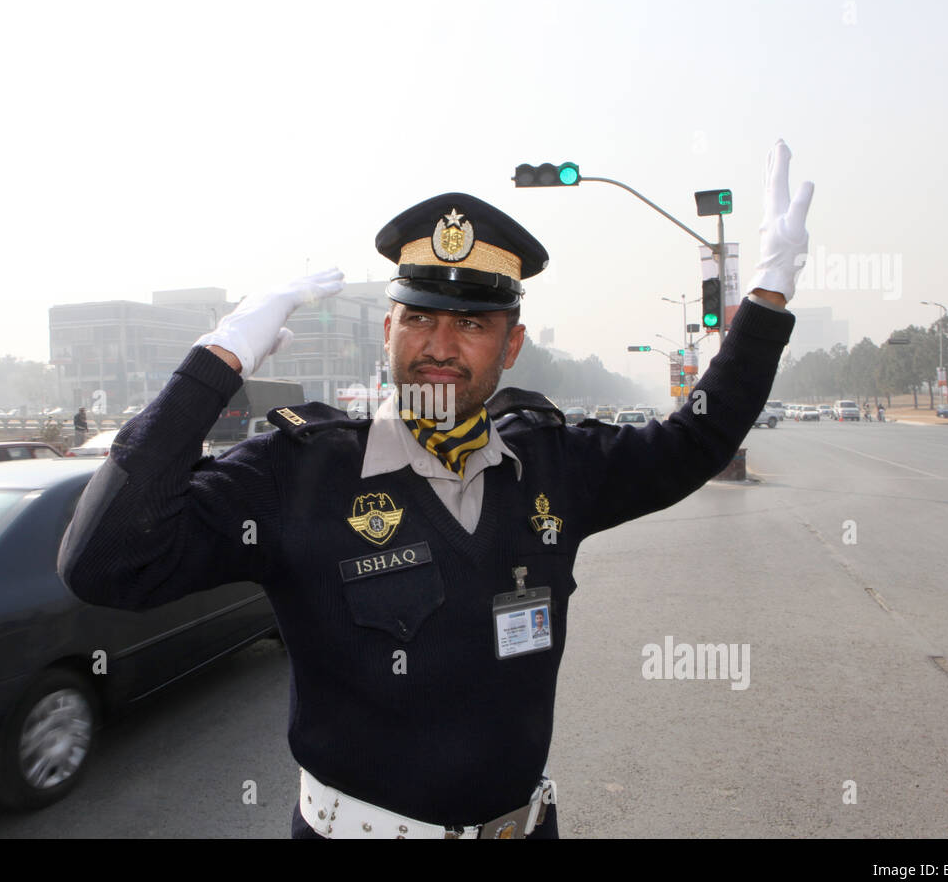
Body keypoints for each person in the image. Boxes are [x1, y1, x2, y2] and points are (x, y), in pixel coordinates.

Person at [58, 141, 812, 839]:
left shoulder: (551, 465)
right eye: (418, 318)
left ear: (512, 344)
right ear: (388, 328)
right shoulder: (300, 472)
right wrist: (218, 357)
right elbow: (105, 560)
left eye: (472, 324)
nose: (440, 347)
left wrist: (768, 300)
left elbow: (695, 442)